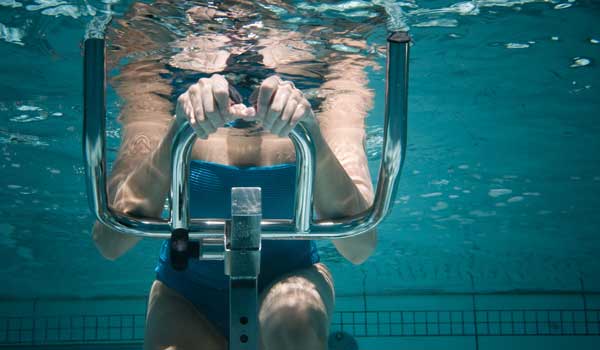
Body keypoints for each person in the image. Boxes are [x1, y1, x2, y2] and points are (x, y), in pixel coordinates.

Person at [91, 1, 380, 349]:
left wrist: (311, 132)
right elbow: (110, 242)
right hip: (186, 293)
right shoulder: (155, 77)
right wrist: (178, 127)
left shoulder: (334, 74)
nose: (239, 32)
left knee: (294, 332)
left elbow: (360, 246)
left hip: (293, 279)